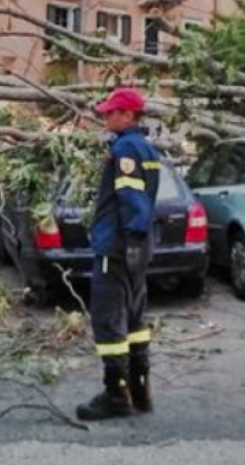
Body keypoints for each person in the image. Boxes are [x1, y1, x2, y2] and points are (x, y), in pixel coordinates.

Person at [77, 88, 161, 421]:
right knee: (136, 317)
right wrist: (140, 245)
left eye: (111, 112)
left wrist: (131, 241)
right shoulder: (146, 147)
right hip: (136, 246)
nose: (105, 117)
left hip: (118, 246)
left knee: (108, 319)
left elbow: (132, 199)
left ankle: (116, 396)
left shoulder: (125, 147)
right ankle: (140, 391)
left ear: (128, 116)